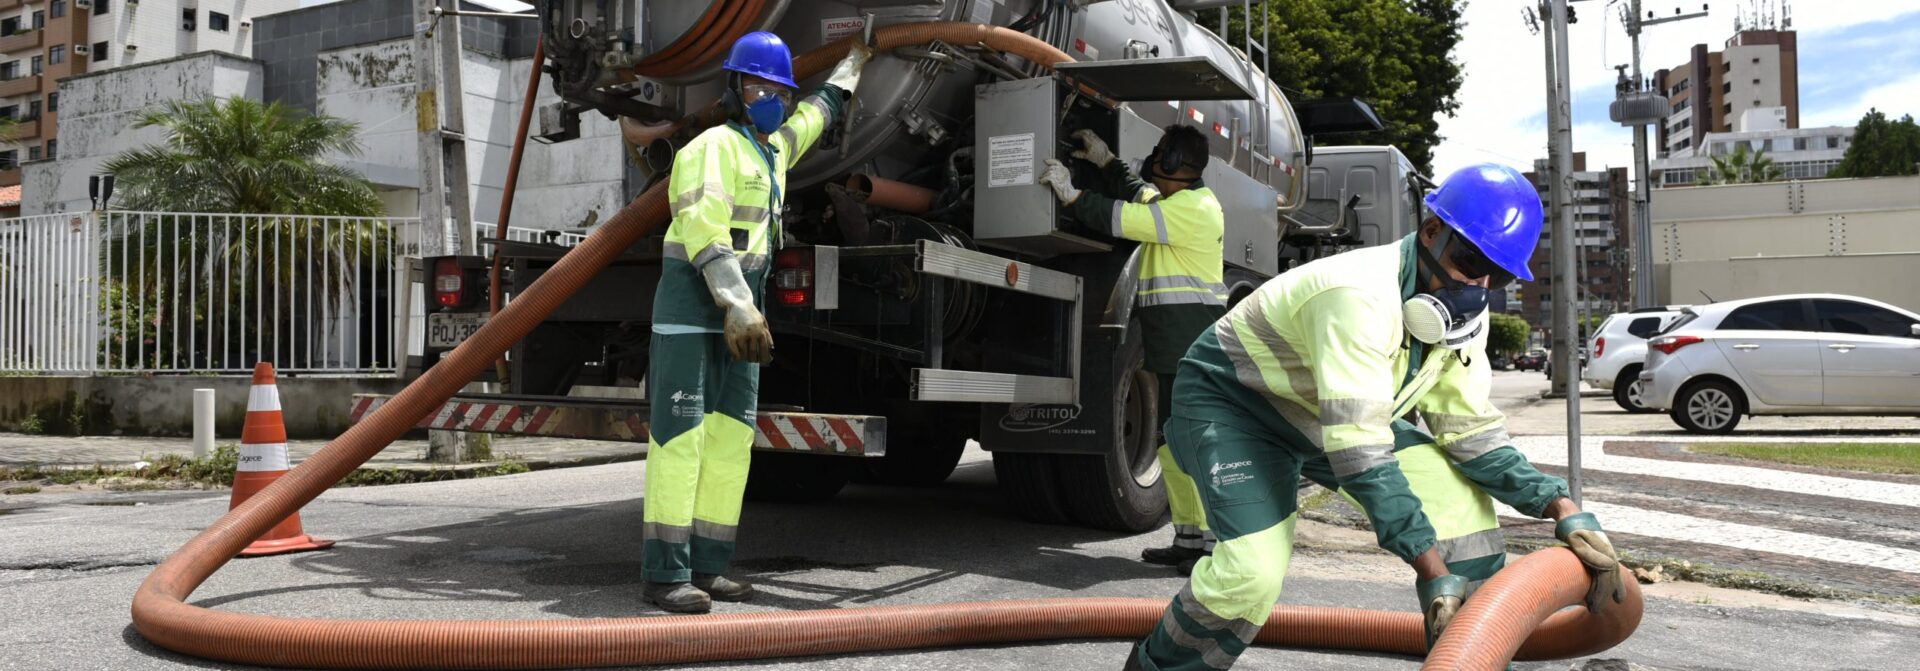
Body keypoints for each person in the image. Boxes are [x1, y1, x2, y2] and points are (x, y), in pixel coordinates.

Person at [1125, 164, 1627, 670]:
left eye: (1492, 272)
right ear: (1431, 231)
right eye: (1469, 258)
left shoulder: (1463, 320)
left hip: (1327, 417)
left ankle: (1471, 659)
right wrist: (1430, 568)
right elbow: (1360, 451)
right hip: (1235, 406)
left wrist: (1558, 505)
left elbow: (1469, 430)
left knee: (1462, 509)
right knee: (1250, 576)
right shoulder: (1357, 294)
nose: (1476, 283)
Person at [640, 32, 870, 615]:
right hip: (696, 314)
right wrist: (736, 302)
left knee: (730, 445)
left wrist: (848, 74)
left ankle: (711, 566)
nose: (769, 96)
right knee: (681, 444)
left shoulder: (771, 153)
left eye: (778, 90)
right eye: (757, 85)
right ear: (736, 90)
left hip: (743, 321)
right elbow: (702, 227)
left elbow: (812, 121)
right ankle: (666, 574)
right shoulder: (712, 147)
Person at [1037, 125, 1226, 572]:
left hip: (1189, 342)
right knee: (1168, 443)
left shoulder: (1195, 210)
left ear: (1177, 162)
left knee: (1194, 444)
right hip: (1171, 342)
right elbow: (1139, 194)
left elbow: (1121, 216)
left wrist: (1070, 194)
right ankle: (1189, 539)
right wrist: (1106, 161)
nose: (1154, 156)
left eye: (1161, 152)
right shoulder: (1177, 202)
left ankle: (1216, 547)